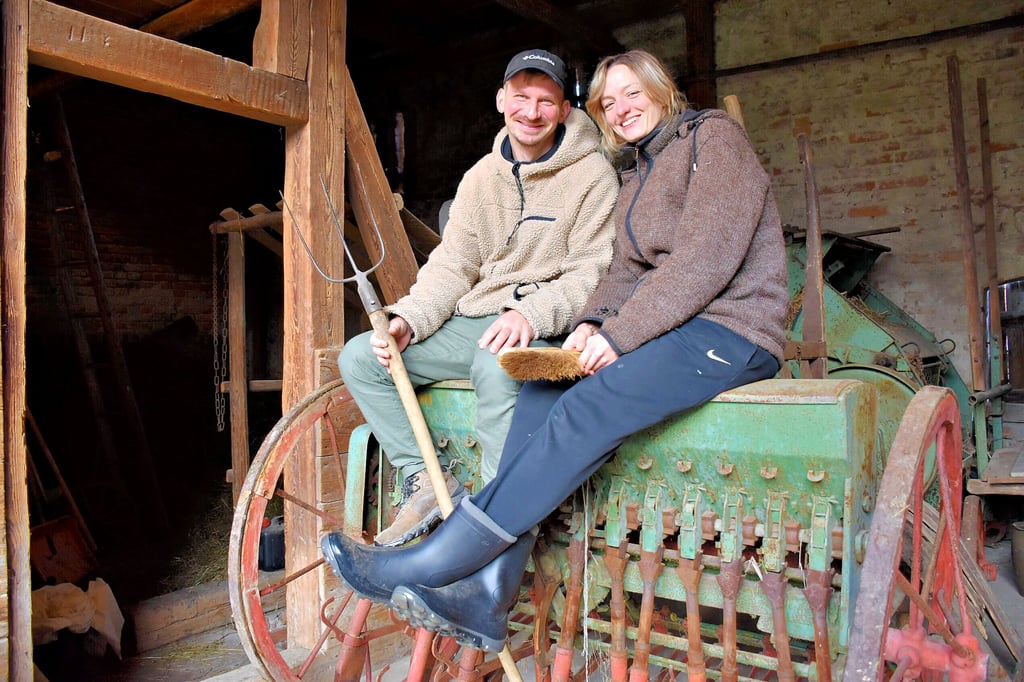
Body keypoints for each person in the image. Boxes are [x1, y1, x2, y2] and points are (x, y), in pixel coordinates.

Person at [322, 49, 789, 652]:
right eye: (609, 102)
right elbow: (619, 274)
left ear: (662, 91)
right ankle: (491, 594)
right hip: (676, 328)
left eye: (632, 94)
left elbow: (700, 265)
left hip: (731, 332)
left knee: (585, 406)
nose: (621, 110)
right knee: (544, 387)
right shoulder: (640, 170)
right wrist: (593, 324)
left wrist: (615, 335)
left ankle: (433, 561)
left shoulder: (713, 141)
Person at [338, 49, 618, 547]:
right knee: (362, 357)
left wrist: (529, 314)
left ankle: (495, 518)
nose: (531, 113)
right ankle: (426, 482)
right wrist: (409, 320)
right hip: (478, 320)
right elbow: (452, 266)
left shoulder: (593, 175)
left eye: (546, 101)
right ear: (500, 99)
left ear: (565, 110)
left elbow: (593, 271)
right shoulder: (479, 179)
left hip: (549, 325)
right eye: (521, 97)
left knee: (498, 365)